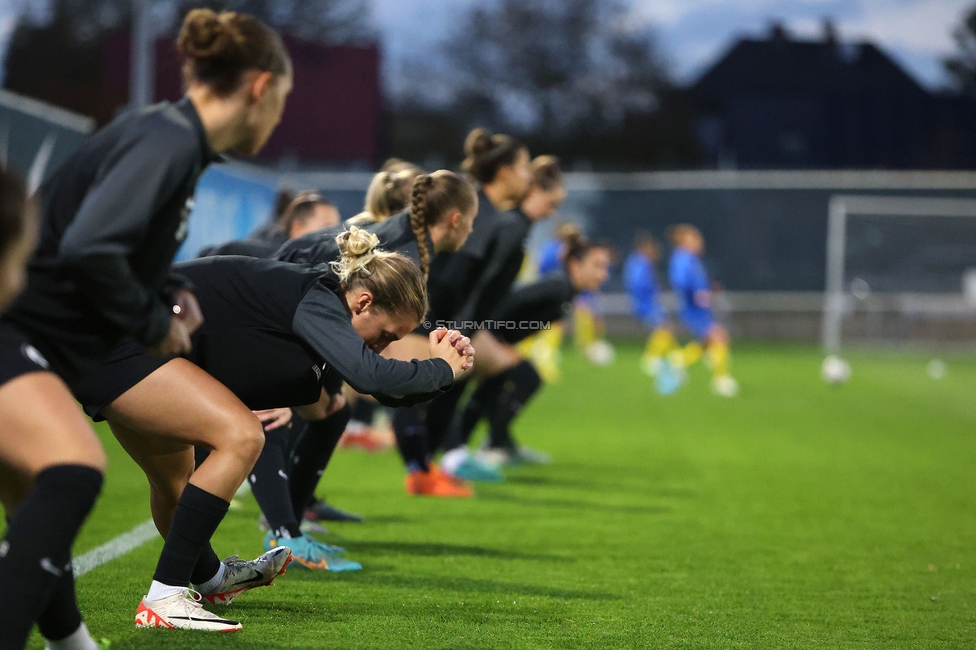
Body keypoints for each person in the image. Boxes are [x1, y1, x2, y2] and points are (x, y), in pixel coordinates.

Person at [0, 7, 292, 647]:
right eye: (283, 100)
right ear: (260, 87)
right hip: (27, 335)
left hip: (47, 340)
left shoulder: (171, 139)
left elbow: (117, 247)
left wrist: (171, 291)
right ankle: (163, 598)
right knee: (74, 474)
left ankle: (72, 641)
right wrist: (152, 320)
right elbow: (89, 248)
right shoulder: (168, 140)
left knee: (36, 513)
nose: (278, 120)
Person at [72, 228, 474, 631]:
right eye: (386, 334)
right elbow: (373, 378)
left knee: (175, 484)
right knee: (242, 435)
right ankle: (164, 597)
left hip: (131, 345)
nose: (383, 346)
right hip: (123, 344)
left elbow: (380, 390)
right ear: (363, 301)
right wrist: (440, 368)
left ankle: (211, 579)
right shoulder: (321, 296)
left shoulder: (330, 310)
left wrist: (444, 375)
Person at [279, 170, 482, 498]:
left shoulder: (407, 237)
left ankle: (296, 512)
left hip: (294, 303)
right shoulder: (404, 253)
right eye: (472, 219)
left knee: (328, 405)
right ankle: (285, 524)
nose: (472, 229)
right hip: (282, 307)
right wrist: (441, 369)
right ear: (456, 219)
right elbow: (380, 375)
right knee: (306, 405)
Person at [391, 129, 534, 497]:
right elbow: (451, 277)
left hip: (442, 314)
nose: (528, 175)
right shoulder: (479, 213)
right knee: (406, 385)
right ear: (503, 172)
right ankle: (422, 471)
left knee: (446, 380)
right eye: (523, 167)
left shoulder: (488, 214)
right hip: (422, 309)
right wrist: (442, 325)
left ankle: (429, 467)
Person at [442, 235, 612, 480]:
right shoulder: (556, 288)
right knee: (526, 377)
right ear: (575, 265)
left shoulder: (566, 292)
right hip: (479, 334)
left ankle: (486, 444)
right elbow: (507, 304)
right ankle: (485, 446)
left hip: (488, 337)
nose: (603, 274)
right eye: (598, 265)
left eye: (606, 267)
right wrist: (495, 340)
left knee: (496, 386)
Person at [667, 224, 738, 397]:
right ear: (684, 241)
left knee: (708, 342)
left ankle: (680, 361)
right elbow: (681, 282)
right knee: (720, 337)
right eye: (695, 239)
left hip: (699, 308)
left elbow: (698, 283)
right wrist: (696, 294)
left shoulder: (691, 259)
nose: (699, 242)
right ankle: (721, 380)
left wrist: (708, 290)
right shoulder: (682, 258)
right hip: (692, 309)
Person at [624, 232, 682, 394]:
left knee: (665, 328)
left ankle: (670, 356)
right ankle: (652, 358)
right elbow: (638, 285)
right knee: (664, 328)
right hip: (645, 304)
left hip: (647, 303)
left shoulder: (640, 262)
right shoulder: (639, 263)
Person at [199, 191, 339, 258]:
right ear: (297, 228)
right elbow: (218, 253)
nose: (335, 235)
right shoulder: (264, 254)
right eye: (327, 227)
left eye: (336, 228)